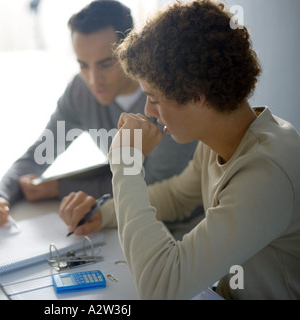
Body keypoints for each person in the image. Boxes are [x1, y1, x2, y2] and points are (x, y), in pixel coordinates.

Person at [105, 0, 300, 299]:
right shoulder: (220, 139)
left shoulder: (266, 171)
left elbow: (161, 287)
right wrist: (103, 213)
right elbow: (178, 197)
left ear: (197, 96)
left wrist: (126, 164)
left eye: (154, 98)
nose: (148, 111)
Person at [0, 0, 198, 229]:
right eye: (83, 65)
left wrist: (59, 188)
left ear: (131, 50)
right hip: (120, 216)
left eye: (105, 64)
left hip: (183, 224)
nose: (93, 80)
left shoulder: (165, 100)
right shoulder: (80, 91)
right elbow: (38, 155)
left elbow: (150, 186)